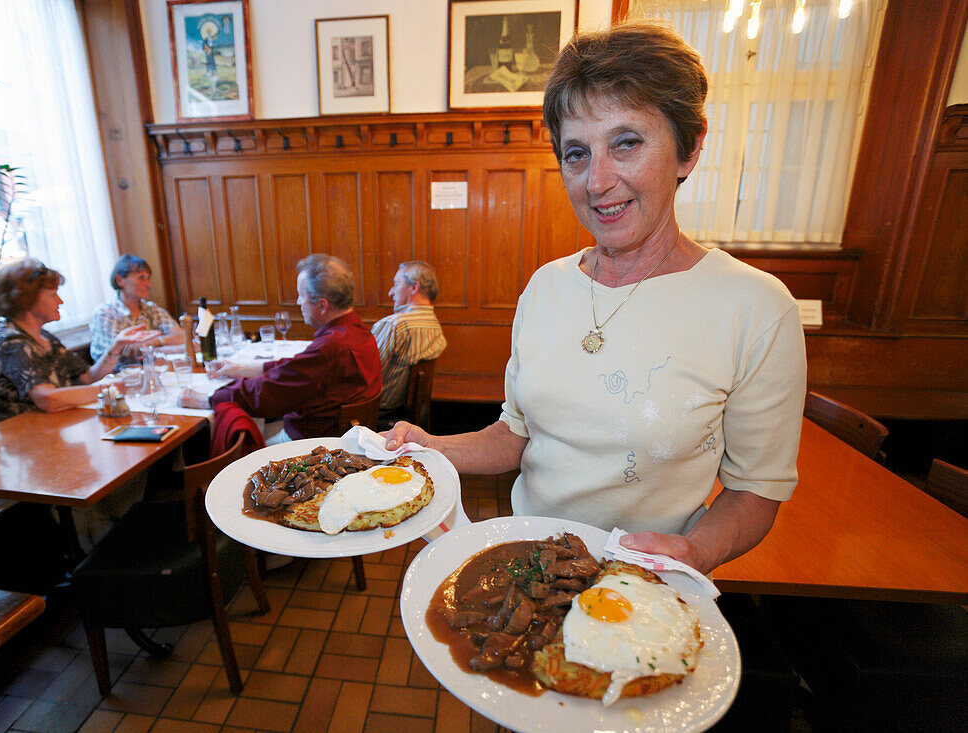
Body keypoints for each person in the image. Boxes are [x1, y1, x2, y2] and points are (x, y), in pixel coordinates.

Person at [385, 21, 806, 575]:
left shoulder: (755, 306)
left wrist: (699, 552)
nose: (597, 181)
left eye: (626, 143)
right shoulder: (546, 286)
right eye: (577, 153)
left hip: (640, 584)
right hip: (526, 564)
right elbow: (517, 433)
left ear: (690, 146)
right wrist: (432, 447)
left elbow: (754, 490)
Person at [180, 254, 382, 444]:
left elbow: (268, 392)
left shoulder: (331, 347)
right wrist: (241, 368)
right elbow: (294, 370)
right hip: (338, 432)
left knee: (236, 443)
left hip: (313, 444)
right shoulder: (358, 332)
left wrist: (209, 399)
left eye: (301, 295)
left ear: (322, 305)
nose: (298, 302)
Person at [0, 259, 158, 425]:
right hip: (18, 437)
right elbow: (48, 399)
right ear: (27, 300)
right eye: (53, 295)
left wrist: (116, 347)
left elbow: (89, 377)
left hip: (51, 425)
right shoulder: (11, 342)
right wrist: (112, 388)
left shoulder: (44, 336)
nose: (60, 301)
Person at [372, 260, 447, 413]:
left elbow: (365, 375)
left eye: (396, 284)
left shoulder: (394, 325)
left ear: (414, 287)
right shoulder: (434, 325)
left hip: (379, 412)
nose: (390, 292)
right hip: (407, 411)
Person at [89, 254, 182, 370]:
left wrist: (156, 342)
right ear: (119, 280)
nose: (149, 284)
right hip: (117, 379)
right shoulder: (105, 313)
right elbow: (128, 352)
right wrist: (164, 345)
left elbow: (182, 336)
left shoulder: (151, 309)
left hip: (152, 371)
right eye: (141, 277)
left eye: (148, 278)